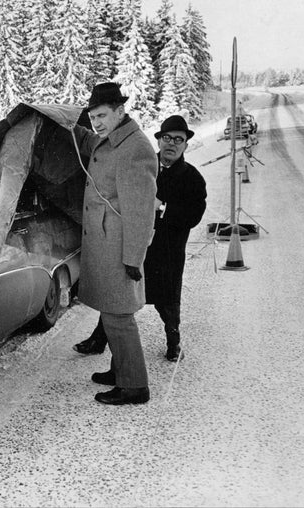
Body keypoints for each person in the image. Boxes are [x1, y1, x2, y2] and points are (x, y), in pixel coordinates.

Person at [73, 115, 207, 362]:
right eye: (167, 138)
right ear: (159, 141)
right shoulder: (142, 162)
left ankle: (173, 341)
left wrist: (163, 206)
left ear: (186, 145)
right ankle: (99, 339)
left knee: (167, 301)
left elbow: (194, 215)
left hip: (167, 252)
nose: (172, 144)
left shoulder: (192, 178)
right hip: (134, 246)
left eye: (179, 140)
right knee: (118, 296)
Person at [72, 82, 158, 405]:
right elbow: (92, 140)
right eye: (92, 117)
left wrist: (134, 258)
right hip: (109, 245)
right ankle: (119, 370)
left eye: (102, 115)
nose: (96, 123)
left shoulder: (135, 148)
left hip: (120, 249)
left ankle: (134, 385)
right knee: (112, 312)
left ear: (121, 112)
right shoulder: (114, 140)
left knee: (119, 317)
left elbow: (141, 211)